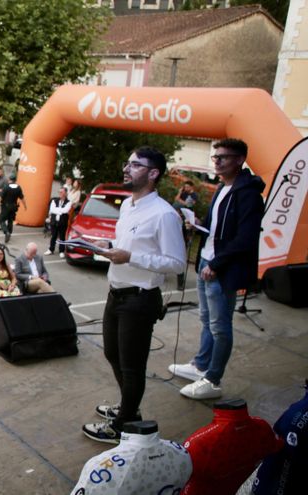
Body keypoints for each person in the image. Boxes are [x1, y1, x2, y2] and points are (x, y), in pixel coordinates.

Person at [82, 146, 186, 444]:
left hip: (140, 299)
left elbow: (177, 263)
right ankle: (129, 407)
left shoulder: (165, 215)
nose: (126, 169)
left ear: (153, 174)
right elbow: (128, 243)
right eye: (126, 163)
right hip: (116, 293)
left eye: (135, 165)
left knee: (132, 365)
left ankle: (125, 423)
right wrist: (108, 243)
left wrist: (130, 257)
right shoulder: (128, 205)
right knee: (112, 354)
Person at [169, 138, 264, 400]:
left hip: (220, 268)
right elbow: (219, 228)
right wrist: (198, 224)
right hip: (205, 262)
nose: (217, 161)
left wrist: (216, 264)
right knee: (206, 320)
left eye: (223, 157)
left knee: (220, 326)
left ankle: (213, 380)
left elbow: (245, 238)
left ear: (240, 160)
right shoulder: (223, 188)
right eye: (215, 156)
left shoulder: (248, 195)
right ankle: (201, 364)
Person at [0, 173, 26, 243]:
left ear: (9, 179)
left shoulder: (6, 187)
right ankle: (9, 233)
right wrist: (25, 206)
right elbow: (22, 198)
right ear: (15, 180)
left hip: (6, 206)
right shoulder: (18, 187)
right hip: (14, 206)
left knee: (1, 219)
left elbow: (0, 197)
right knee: (10, 220)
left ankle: (6, 232)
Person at [45, 187, 71, 257]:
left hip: (62, 222)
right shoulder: (54, 200)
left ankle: (61, 251)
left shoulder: (68, 202)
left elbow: (65, 210)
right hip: (54, 221)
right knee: (53, 236)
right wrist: (60, 210)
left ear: (65, 193)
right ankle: (51, 249)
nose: (60, 194)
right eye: (59, 192)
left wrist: (57, 210)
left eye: (61, 192)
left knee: (62, 237)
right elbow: (52, 210)